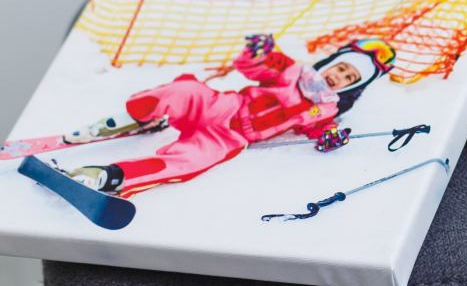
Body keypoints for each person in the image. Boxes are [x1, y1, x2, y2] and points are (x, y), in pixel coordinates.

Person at [62, 34, 393, 197]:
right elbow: (258, 66)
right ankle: (121, 121)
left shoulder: (326, 108)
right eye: (342, 68)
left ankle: (110, 176)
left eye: (350, 78)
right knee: (185, 92)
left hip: (230, 138)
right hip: (225, 107)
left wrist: (330, 137)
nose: (340, 77)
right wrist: (259, 52)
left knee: (188, 163)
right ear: (333, 63)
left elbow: (319, 130)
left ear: (354, 86)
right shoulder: (292, 72)